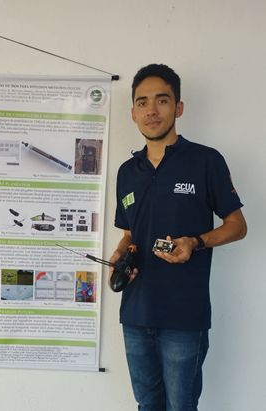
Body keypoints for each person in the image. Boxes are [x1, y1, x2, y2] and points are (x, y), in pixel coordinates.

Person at [110, 64, 247, 411]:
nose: (151, 110)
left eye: (161, 100)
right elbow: (129, 233)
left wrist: (195, 242)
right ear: (133, 113)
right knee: (147, 406)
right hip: (135, 314)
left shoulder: (205, 161)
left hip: (184, 317)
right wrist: (119, 254)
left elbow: (237, 224)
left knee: (181, 407)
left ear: (178, 108)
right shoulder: (128, 172)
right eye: (142, 102)